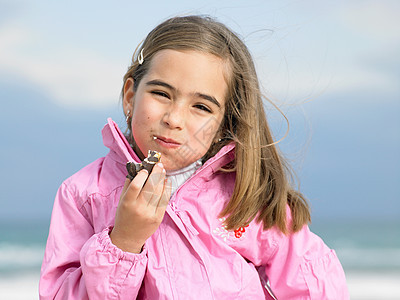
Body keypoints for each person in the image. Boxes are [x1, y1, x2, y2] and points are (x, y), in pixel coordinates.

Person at [39, 15, 349, 299]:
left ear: (223, 124)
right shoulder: (83, 195)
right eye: (161, 94)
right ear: (131, 95)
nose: (174, 118)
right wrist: (124, 241)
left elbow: (313, 283)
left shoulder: (246, 195)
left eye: (201, 107)